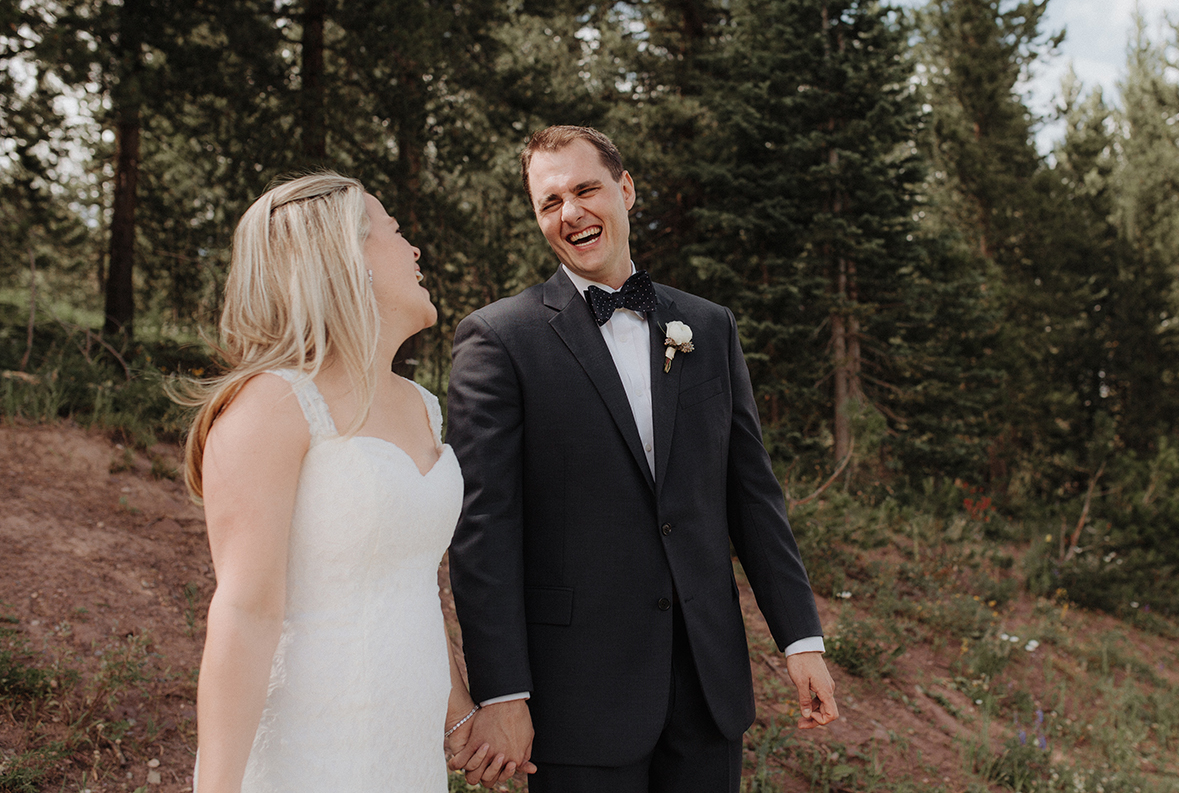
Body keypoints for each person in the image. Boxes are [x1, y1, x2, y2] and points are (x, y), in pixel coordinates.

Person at [446, 126, 839, 793]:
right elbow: (483, 533)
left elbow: (752, 496)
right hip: (577, 699)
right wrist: (503, 689)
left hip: (707, 693)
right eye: (549, 202)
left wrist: (801, 638)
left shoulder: (709, 328)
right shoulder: (498, 340)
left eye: (584, 189)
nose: (569, 213)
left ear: (625, 189)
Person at [184, 173, 500, 793]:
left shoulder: (421, 405)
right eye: (396, 232)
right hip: (309, 748)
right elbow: (244, 613)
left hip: (404, 753)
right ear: (343, 257)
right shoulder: (271, 406)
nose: (414, 251)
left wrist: (458, 711)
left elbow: (406, 579)